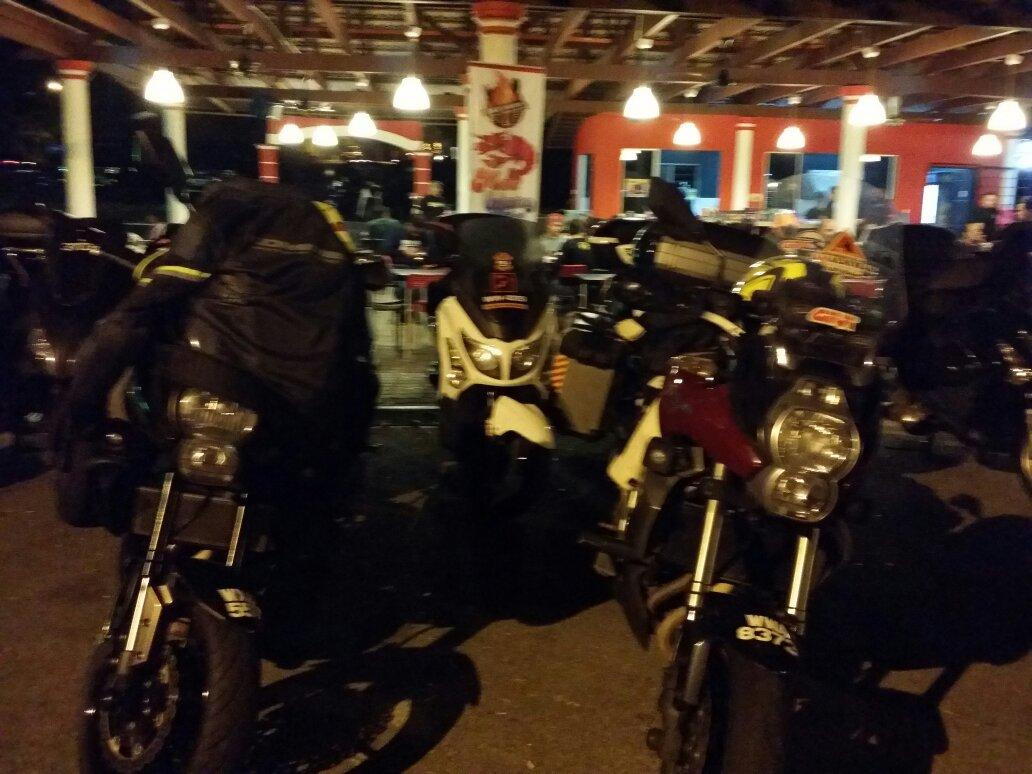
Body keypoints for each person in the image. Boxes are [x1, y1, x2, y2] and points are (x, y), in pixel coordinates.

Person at [54, 147, 378, 525]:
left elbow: (143, 309)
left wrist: (81, 406)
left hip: (216, 383)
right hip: (298, 410)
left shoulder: (231, 204)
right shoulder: (326, 229)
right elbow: (356, 334)